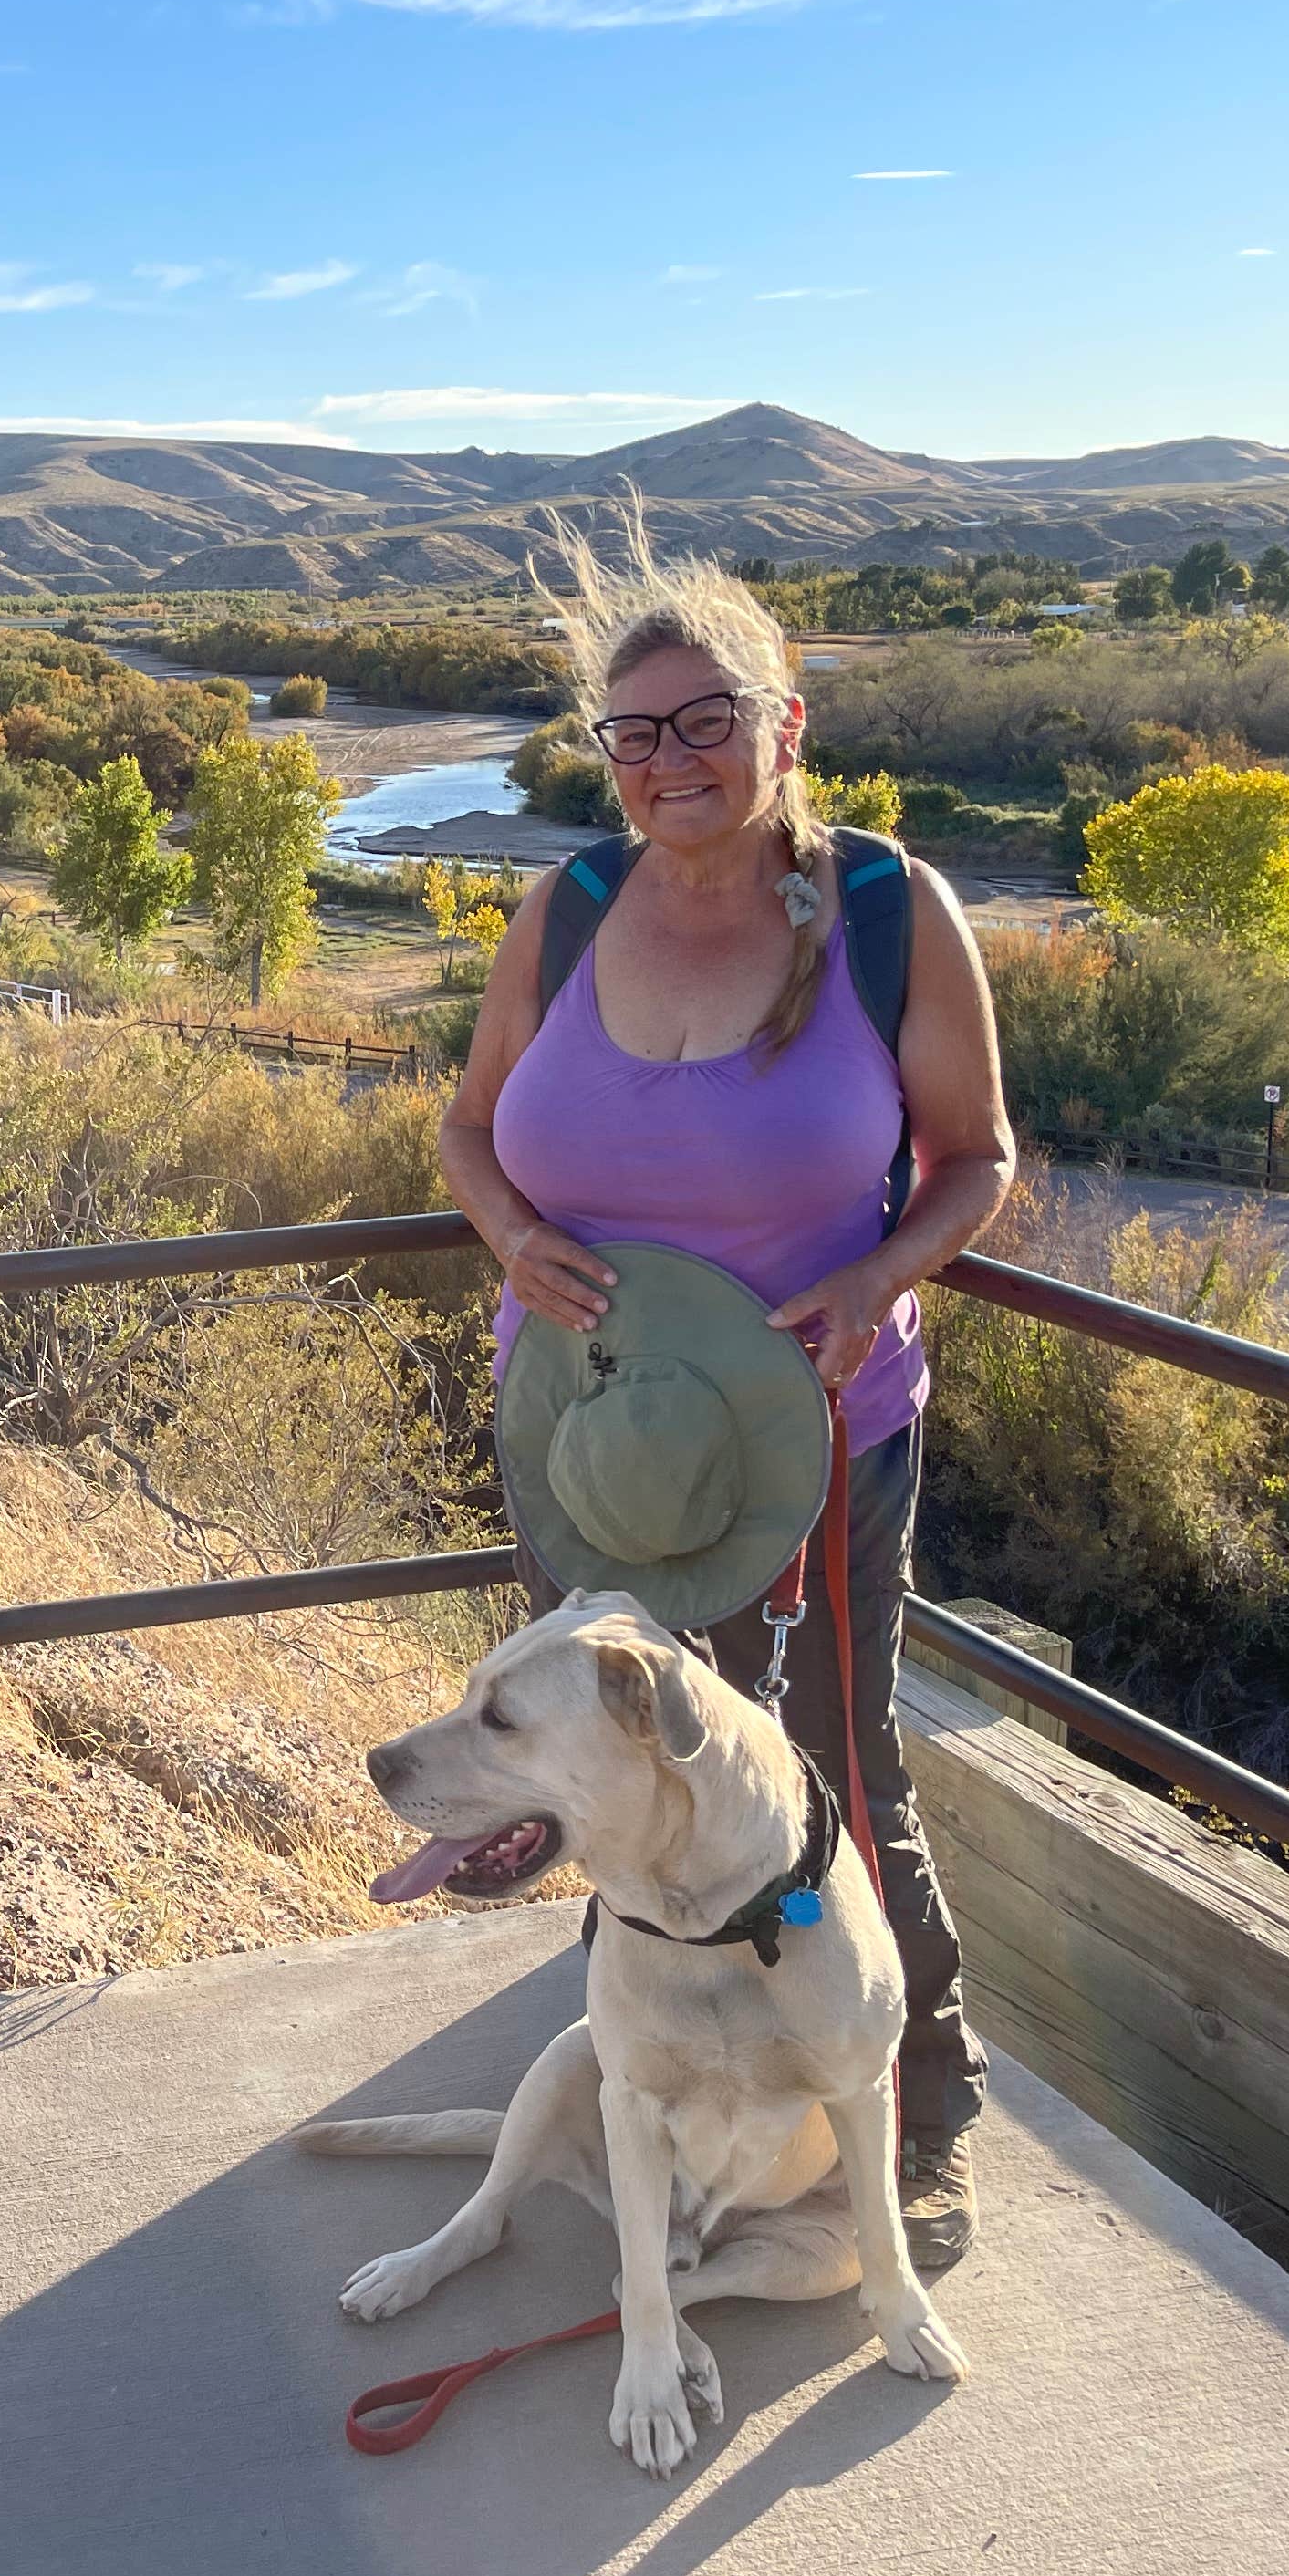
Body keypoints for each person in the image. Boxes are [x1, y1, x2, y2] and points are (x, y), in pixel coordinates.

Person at [442, 514, 1017, 2268]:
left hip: (813, 1443)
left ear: (786, 728)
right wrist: (512, 1235)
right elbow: (470, 1131)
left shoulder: (883, 911)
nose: (669, 760)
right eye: (635, 733)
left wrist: (874, 1279)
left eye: (707, 722)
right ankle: (656, 2095)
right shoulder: (568, 903)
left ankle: (913, 2118)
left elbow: (976, 1160)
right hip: (590, 1443)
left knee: (834, 1776)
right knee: (600, 1785)